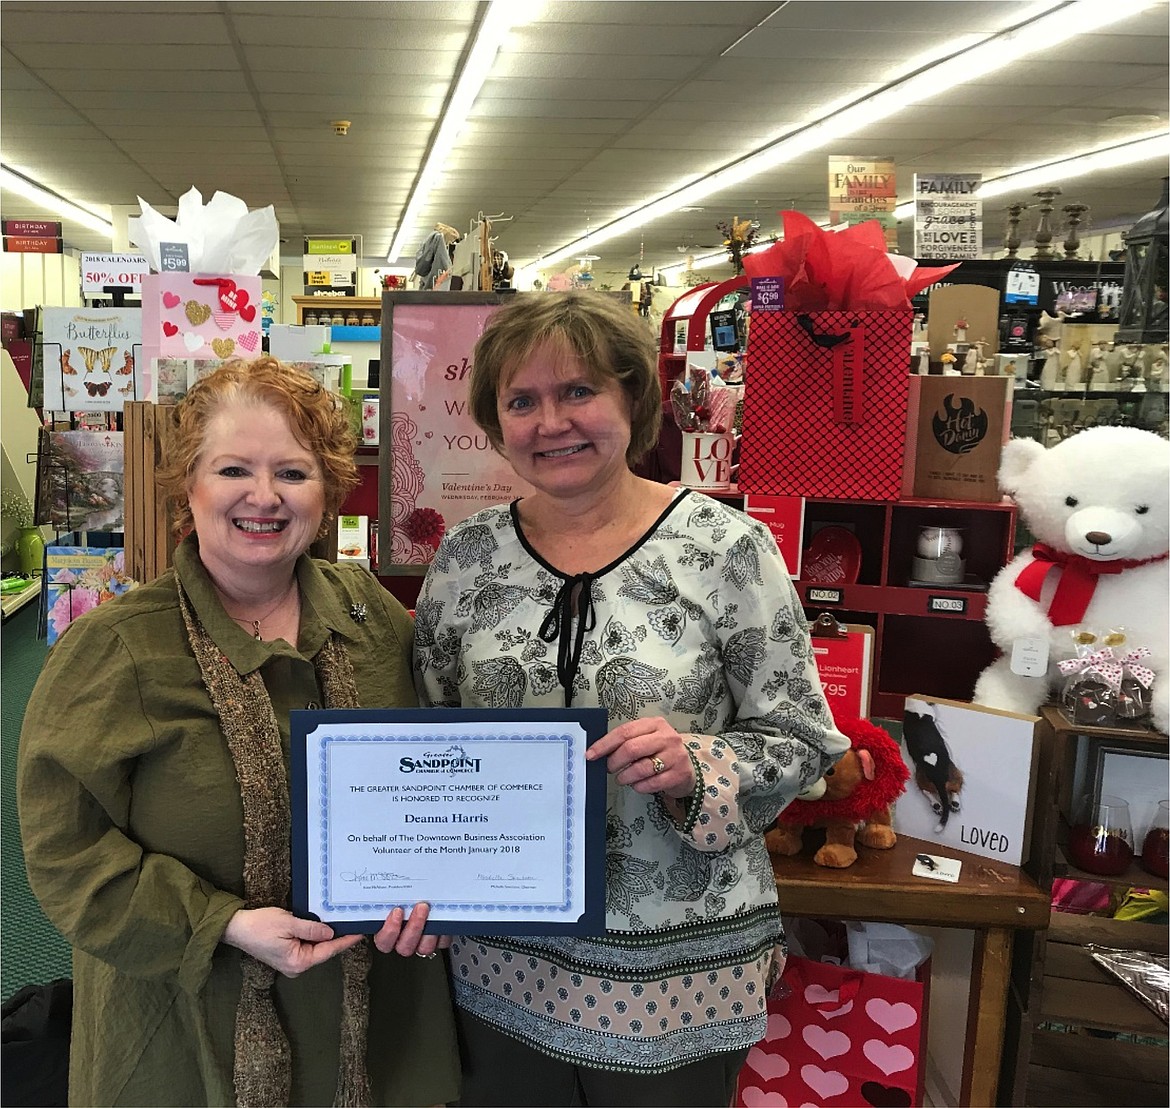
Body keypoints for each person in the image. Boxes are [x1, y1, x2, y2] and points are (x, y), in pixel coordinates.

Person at [413, 292, 849, 1106]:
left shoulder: (726, 548)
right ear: (496, 422)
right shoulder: (467, 557)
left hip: (679, 973)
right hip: (501, 965)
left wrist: (700, 765)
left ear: (632, 399)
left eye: (578, 391)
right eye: (522, 401)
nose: (551, 422)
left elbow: (800, 736)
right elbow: (429, 735)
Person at [18, 358, 459, 1107]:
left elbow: (434, 779)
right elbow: (66, 852)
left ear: (327, 490)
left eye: (292, 472)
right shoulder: (116, 649)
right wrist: (218, 925)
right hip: (189, 1018)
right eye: (233, 469)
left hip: (368, 1014)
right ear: (188, 486)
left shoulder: (370, 617)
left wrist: (443, 891)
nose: (264, 496)